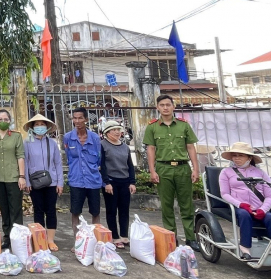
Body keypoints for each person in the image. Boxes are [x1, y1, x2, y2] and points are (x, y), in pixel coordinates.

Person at [144, 94, 201, 251]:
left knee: (186, 205)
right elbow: (151, 149)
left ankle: (191, 238)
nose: (165, 107)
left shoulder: (184, 125)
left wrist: (195, 169)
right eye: (162, 105)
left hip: (183, 168)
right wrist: (152, 171)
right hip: (163, 169)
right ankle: (171, 238)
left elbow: (190, 147)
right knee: (167, 205)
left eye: (168, 104)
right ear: (158, 108)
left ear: (173, 106)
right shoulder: (152, 127)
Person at [219, 142, 271, 261]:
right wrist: (241, 204)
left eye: (241, 155)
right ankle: (245, 248)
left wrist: (263, 209)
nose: (237, 158)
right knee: (244, 215)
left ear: (249, 158)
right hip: (239, 206)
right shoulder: (226, 172)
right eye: (234, 155)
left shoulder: (260, 173)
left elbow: (270, 196)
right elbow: (224, 194)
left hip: (260, 207)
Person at [23, 114, 64, 252]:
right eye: (37, 124)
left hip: (51, 182)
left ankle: (50, 240)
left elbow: (58, 163)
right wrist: (27, 181)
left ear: (46, 127)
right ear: (32, 127)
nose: (39, 126)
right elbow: (26, 163)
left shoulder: (52, 143)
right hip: (35, 183)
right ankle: (39, 239)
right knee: (38, 210)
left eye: (42, 124)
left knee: (51, 210)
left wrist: (60, 182)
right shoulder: (27, 142)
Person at [0, 109, 26, 250]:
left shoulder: (16, 136)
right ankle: (7, 236)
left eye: (5, 119)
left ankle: (17, 236)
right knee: (4, 208)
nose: (3, 122)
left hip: (13, 178)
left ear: (9, 121)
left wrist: (22, 176)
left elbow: (20, 156)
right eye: (0, 119)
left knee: (15, 208)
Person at [64, 107, 103, 239]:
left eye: (80, 118)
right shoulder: (68, 138)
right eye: (75, 118)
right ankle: (78, 242)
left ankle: (95, 240)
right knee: (75, 212)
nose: (77, 121)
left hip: (93, 181)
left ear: (86, 119)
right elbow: (69, 157)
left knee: (95, 212)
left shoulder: (95, 138)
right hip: (76, 181)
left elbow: (99, 159)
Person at [99, 120, 136, 249]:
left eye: (118, 129)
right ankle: (115, 237)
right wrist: (106, 182)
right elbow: (102, 165)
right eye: (113, 130)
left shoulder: (125, 147)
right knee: (111, 210)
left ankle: (124, 236)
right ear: (107, 132)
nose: (116, 132)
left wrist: (132, 182)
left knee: (124, 210)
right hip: (111, 182)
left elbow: (130, 165)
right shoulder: (102, 145)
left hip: (124, 181)